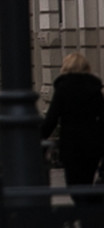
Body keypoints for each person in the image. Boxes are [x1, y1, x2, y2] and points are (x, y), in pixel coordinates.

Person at [41, 52, 104, 205]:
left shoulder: (63, 88)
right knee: (87, 182)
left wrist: (39, 136)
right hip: (92, 144)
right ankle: (89, 215)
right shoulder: (94, 89)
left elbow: (52, 118)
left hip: (71, 144)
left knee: (73, 185)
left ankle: (86, 214)